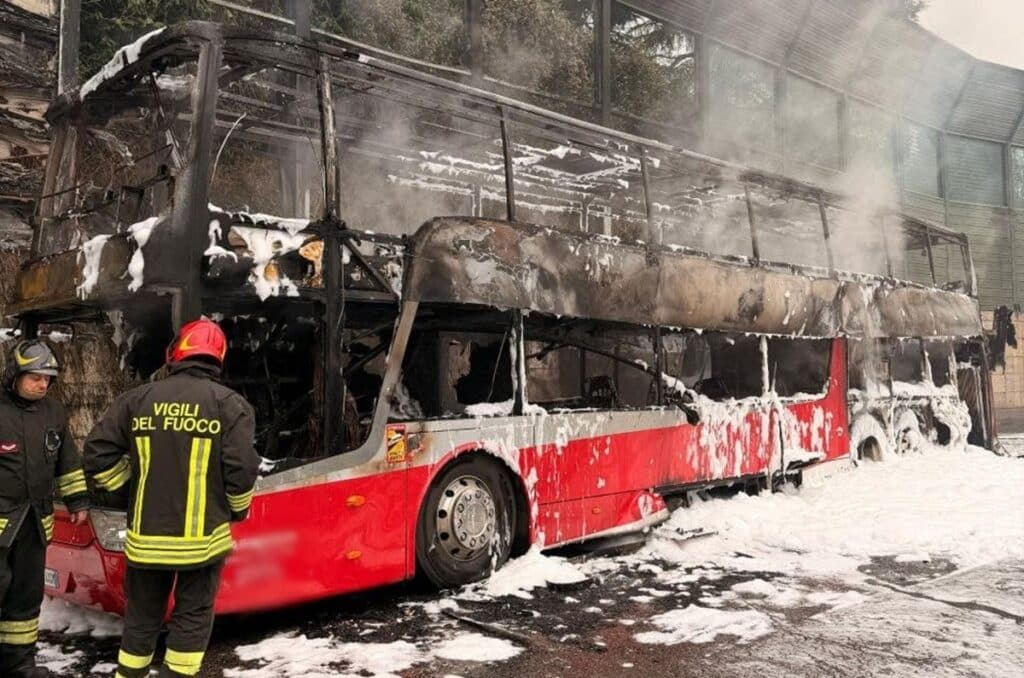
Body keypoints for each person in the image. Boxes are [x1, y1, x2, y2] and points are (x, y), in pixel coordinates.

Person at [83, 318, 259, 678]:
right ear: (219, 358)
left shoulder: (137, 400)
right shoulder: (230, 405)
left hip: (145, 540)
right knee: (191, 618)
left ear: (175, 352)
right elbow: (241, 469)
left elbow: (96, 453)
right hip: (202, 543)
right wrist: (237, 510)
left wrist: (128, 489)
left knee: (142, 618)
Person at [0, 340, 89, 678]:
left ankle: (19, 663)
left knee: (25, 599)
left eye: (48, 379)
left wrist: (78, 499)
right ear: (15, 375)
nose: (43, 384)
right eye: (35, 377)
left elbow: (67, 460)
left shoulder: (54, 412)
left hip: (33, 525)